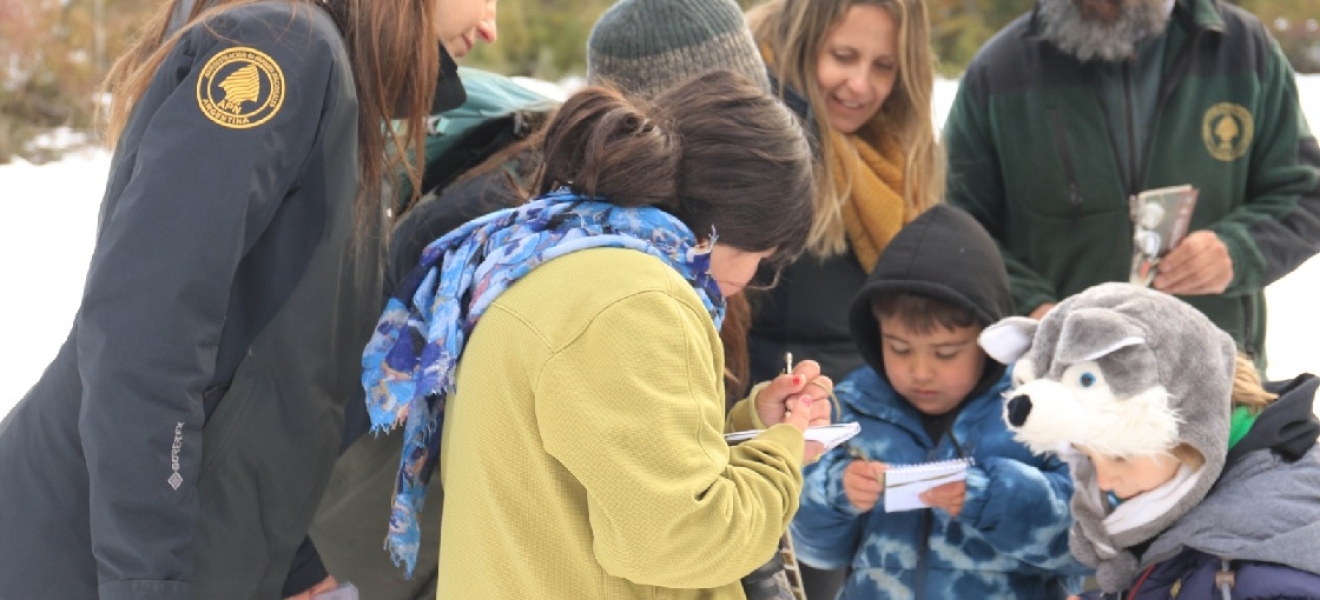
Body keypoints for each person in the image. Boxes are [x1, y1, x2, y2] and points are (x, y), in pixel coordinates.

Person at [0, 0, 494, 598]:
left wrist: (292, 566)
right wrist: (148, 582)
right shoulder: (282, 51)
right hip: (78, 558)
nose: (491, 26)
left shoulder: (332, 81)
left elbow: (271, 373)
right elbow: (145, 336)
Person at [308, 2, 784, 597]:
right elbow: (664, 527)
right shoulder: (588, 259)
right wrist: (309, 560)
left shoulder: (628, 239)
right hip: (433, 557)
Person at [944, 0, 1320, 365]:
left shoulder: (1242, 49)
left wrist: (1236, 251)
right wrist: (1032, 305)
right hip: (1061, 391)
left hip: (1216, 385)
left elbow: (1306, 194)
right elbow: (957, 230)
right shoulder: (997, 73)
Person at [789, 204, 1085, 598]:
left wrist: (991, 498)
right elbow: (816, 551)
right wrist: (835, 492)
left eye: (945, 353)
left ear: (988, 338)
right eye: (899, 348)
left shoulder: (1037, 416)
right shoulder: (852, 409)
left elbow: (1082, 544)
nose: (921, 371)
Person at [981, 283, 1320, 599]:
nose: (1105, 481)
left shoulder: (1262, 543)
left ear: (1187, 427)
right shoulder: (1196, 490)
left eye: (1121, 457)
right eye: (1087, 457)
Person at [745, 0, 943, 386]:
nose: (860, 84)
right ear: (800, 42)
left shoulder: (896, 151)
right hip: (775, 417)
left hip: (858, 416)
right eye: (843, 56)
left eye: (884, 66)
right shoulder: (761, 146)